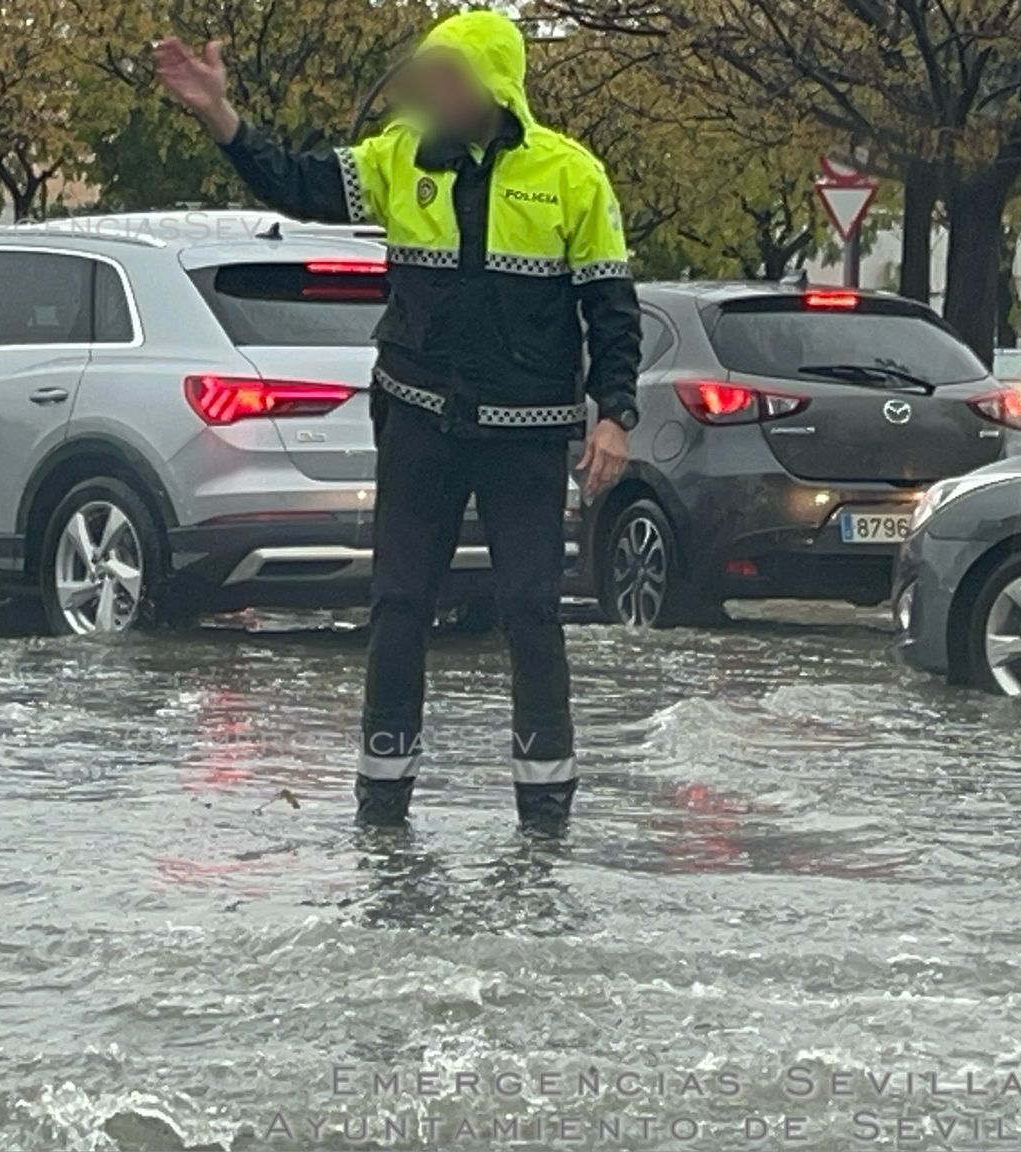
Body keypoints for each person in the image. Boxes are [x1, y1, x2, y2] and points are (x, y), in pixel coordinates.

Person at [155, 10, 643, 836]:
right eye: (431, 75)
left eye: (451, 75)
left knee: (530, 608)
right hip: (419, 419)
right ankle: (382, 804)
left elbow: (611, 307)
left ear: (494, 82)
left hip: (527, 433)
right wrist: (219, 117)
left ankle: (545, 810)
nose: (435, 90)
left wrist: (616, 414)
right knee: (399, 603)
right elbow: (296, 181)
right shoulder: (398, 155)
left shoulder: (573, 175)